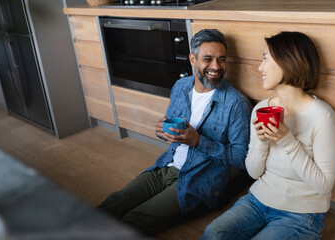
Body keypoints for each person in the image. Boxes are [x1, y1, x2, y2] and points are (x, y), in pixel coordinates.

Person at [97, 29, 251, 235]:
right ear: (192, 59)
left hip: (198, 182)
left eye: (221, 59)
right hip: (165, 168)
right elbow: (171, 133)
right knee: (112, 204)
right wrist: (161, 130)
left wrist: (198, 142)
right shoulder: (180, 87)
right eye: (208, 59)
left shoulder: (236, 103)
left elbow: (243, 159)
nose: (216, 66)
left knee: (131, 222)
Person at [201, 31, 335, 240]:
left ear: (288, 61)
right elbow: (254, 172)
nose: (260, 67)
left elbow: (323, 185)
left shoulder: (322, 116)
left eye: (265, 58)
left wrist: (287, 141)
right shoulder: (262, 109)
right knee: (213, 233)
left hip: (301, 214)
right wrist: (261, 140)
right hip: (257, 201)